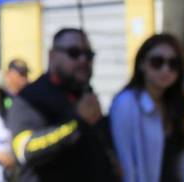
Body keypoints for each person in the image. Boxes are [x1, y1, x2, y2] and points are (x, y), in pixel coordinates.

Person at [7, 28, 118, 181]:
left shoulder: (85, 94)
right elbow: (25, 150)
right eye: (74, 53)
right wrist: (77, 122)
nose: (83, 60)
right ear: (52, 56)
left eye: (89, 55)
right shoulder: (31, 96)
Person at [109, 33, 184, 182]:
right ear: (141, 64)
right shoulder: (126, 103)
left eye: (173, 64)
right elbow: (126, 163)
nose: (165, 69)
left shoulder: (177, 104)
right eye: (157, 62)